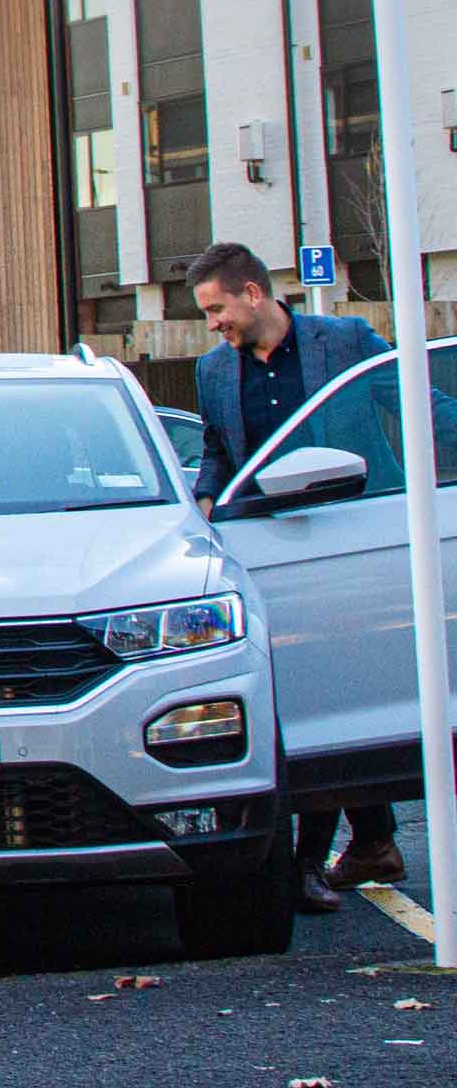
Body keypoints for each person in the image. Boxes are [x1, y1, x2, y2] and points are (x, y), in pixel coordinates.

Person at [184, 240, 398, 914]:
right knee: (306, 691)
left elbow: (417, 406)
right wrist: (206, 503)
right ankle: (373, 840)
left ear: (253, 293)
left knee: (343, 690)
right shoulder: (215, 370)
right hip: (276, 547)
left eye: (217, 307)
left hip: (362, 540)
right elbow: (219, 451)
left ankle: (315, 860)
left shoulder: (345, 340)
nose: (213, 323)